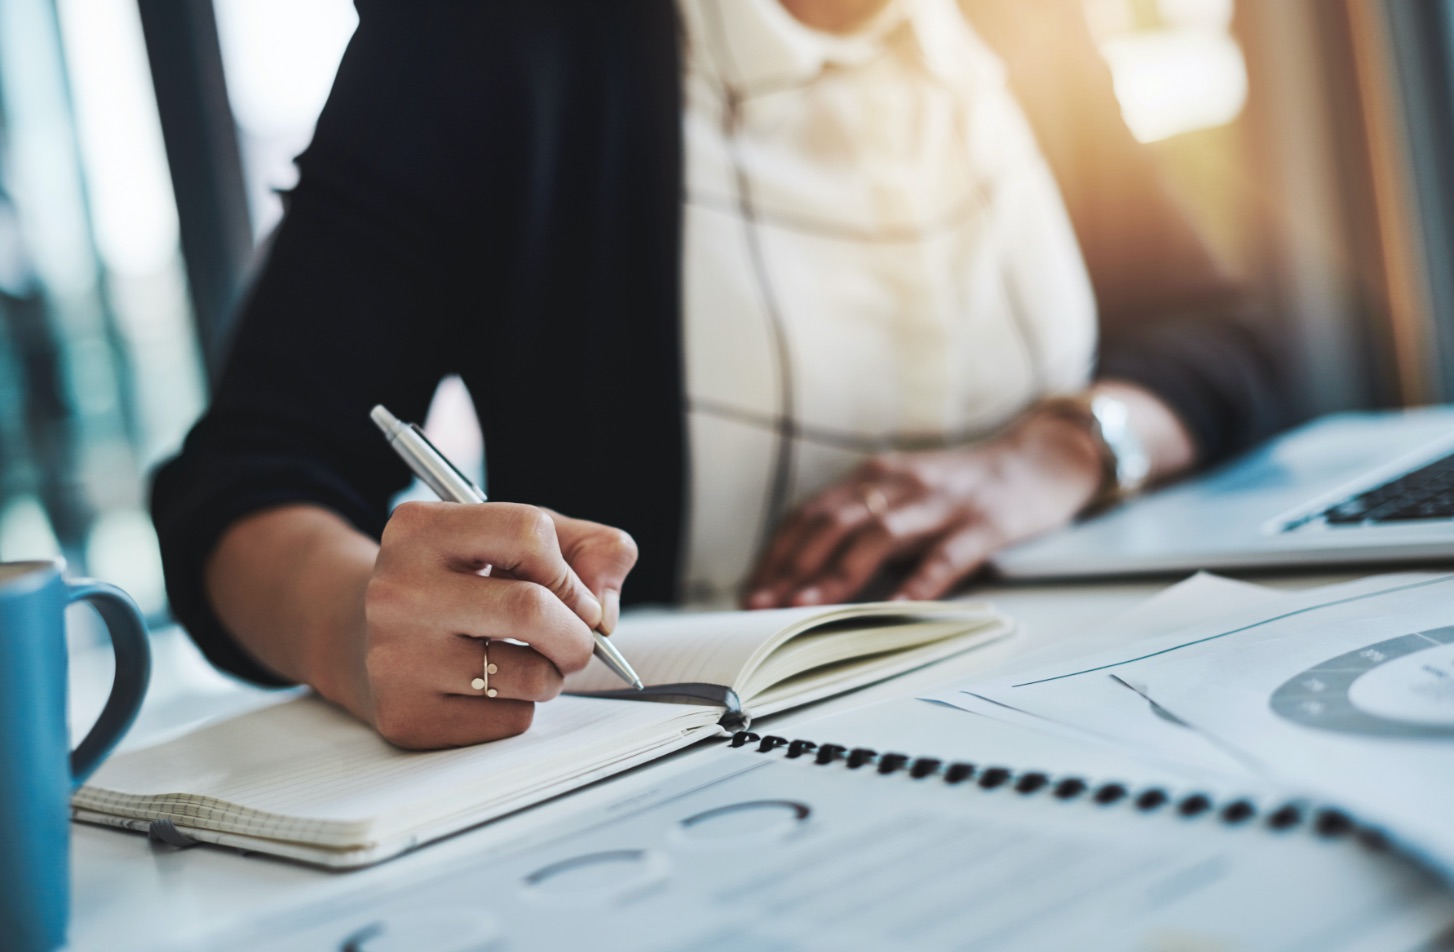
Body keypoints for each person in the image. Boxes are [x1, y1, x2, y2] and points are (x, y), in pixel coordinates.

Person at [152, 0, 1289, 750]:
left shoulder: (1020, 26)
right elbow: (243, 485)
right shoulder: (486, 37)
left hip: (1107, 698)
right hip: (710, 761)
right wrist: (356, 627)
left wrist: (1047, 455)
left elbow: (1227, 334)